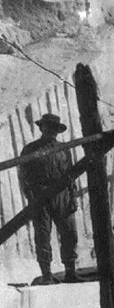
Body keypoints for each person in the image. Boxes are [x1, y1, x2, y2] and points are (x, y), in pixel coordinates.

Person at [17, 113, 78, 285]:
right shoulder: (30, 149)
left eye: (54, 128)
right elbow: (23, 174)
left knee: (69, 233)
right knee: (42, 234)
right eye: (48, 126)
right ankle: (46, 275)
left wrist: (72, 197)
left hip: (62, 194)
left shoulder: (64, 148)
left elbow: (71, 174)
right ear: (41, 128)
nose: (51, 130)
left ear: (58, 131)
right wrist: (30, 195)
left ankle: (70, 272)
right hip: (40, 194)